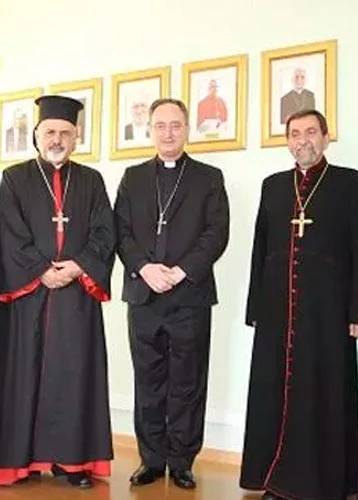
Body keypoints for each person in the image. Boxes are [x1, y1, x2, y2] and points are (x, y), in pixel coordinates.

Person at [0, 94, 115, 489]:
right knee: (22, 375)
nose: (57, 138)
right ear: (36, 136)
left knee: (75, 375)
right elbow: (8, 234)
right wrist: (41, 270)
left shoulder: (92, 180)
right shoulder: (15, 178)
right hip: (30, 294)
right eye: (49, 132)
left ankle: (73, 461)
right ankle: (20, 462)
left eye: (65, 132)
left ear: (76, 137)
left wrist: (78, 266)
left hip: (77, 293)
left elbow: (104, 232)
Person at [239, 109, 358, 500]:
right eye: (295, 133)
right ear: (287, 140)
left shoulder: (350, 182)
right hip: (277, 310)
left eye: (311, 132)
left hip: (328, 313)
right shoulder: (273, 185)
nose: (303, 140)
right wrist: (254, 307)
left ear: (326, 137)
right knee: (272, 391)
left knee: (324, 393)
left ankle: (327, 483)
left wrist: (357, 310)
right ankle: (276, 479)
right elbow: (260, 247)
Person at [114, 98, 230, 490]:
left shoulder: (209, 177)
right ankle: (151, 459)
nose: (168, 133)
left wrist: (180, 271)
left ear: (187, 129)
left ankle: (181, 460)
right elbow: (121, 232)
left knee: (187, 383)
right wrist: (145, 269)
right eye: (160, 125)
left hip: (190, 297)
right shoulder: (132, 177)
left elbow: (216, 233)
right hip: (143, 296)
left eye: (176, 125)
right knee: (148, 382)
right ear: (150, 130)